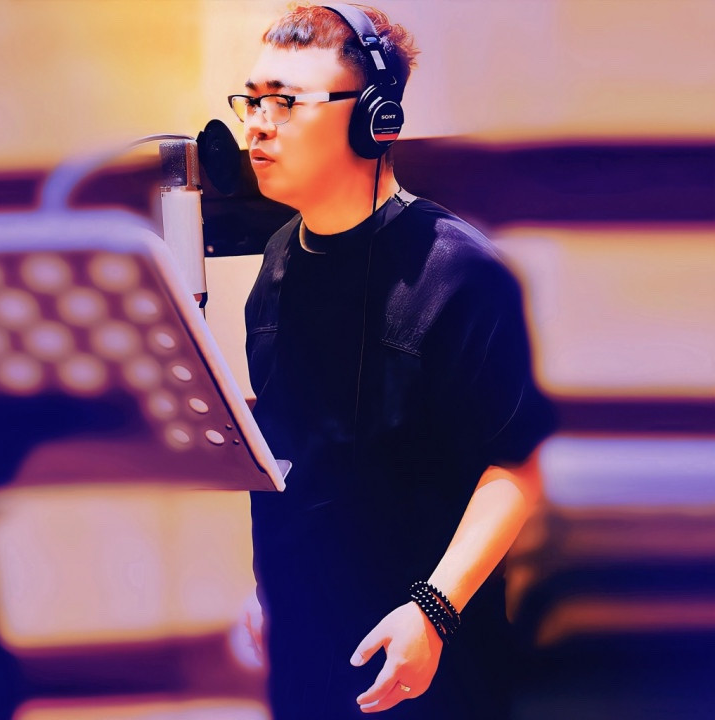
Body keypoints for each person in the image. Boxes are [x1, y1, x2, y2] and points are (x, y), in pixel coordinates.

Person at [235, 3, 555, 718]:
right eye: (252, 100)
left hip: (431, 653)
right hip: (305, 645)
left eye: (284, 102)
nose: (257, 123)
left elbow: (518, 464)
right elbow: (292, 452)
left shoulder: (461, 272)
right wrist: (266, 587)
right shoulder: (278, 260)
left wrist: (433, 611)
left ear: (372, 120)